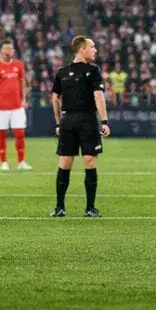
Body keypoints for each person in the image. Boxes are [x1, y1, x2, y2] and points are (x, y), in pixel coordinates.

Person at [49, 36, 110, 218]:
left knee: (65, 165)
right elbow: (99, 97)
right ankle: (89, 208)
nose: (95, 50)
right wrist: (105, 121)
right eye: (92, 47)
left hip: (71, 120)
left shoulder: (65, 72)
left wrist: (59, 122)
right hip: (85, 119)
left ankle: (60, 208)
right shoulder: (91, 71)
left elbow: (55, 98)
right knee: (87, 163)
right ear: (82, 49)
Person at [0, 41, 31, 171]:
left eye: (11, 48)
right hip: (1, 107)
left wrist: (24, 99)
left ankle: (21, 162)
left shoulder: (18, 65)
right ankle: (4, 162)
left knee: (20, 133)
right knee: (1, 134)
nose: (11, 50)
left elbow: (23, 83)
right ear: (2, 51)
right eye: (7, 48)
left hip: (17, 106)